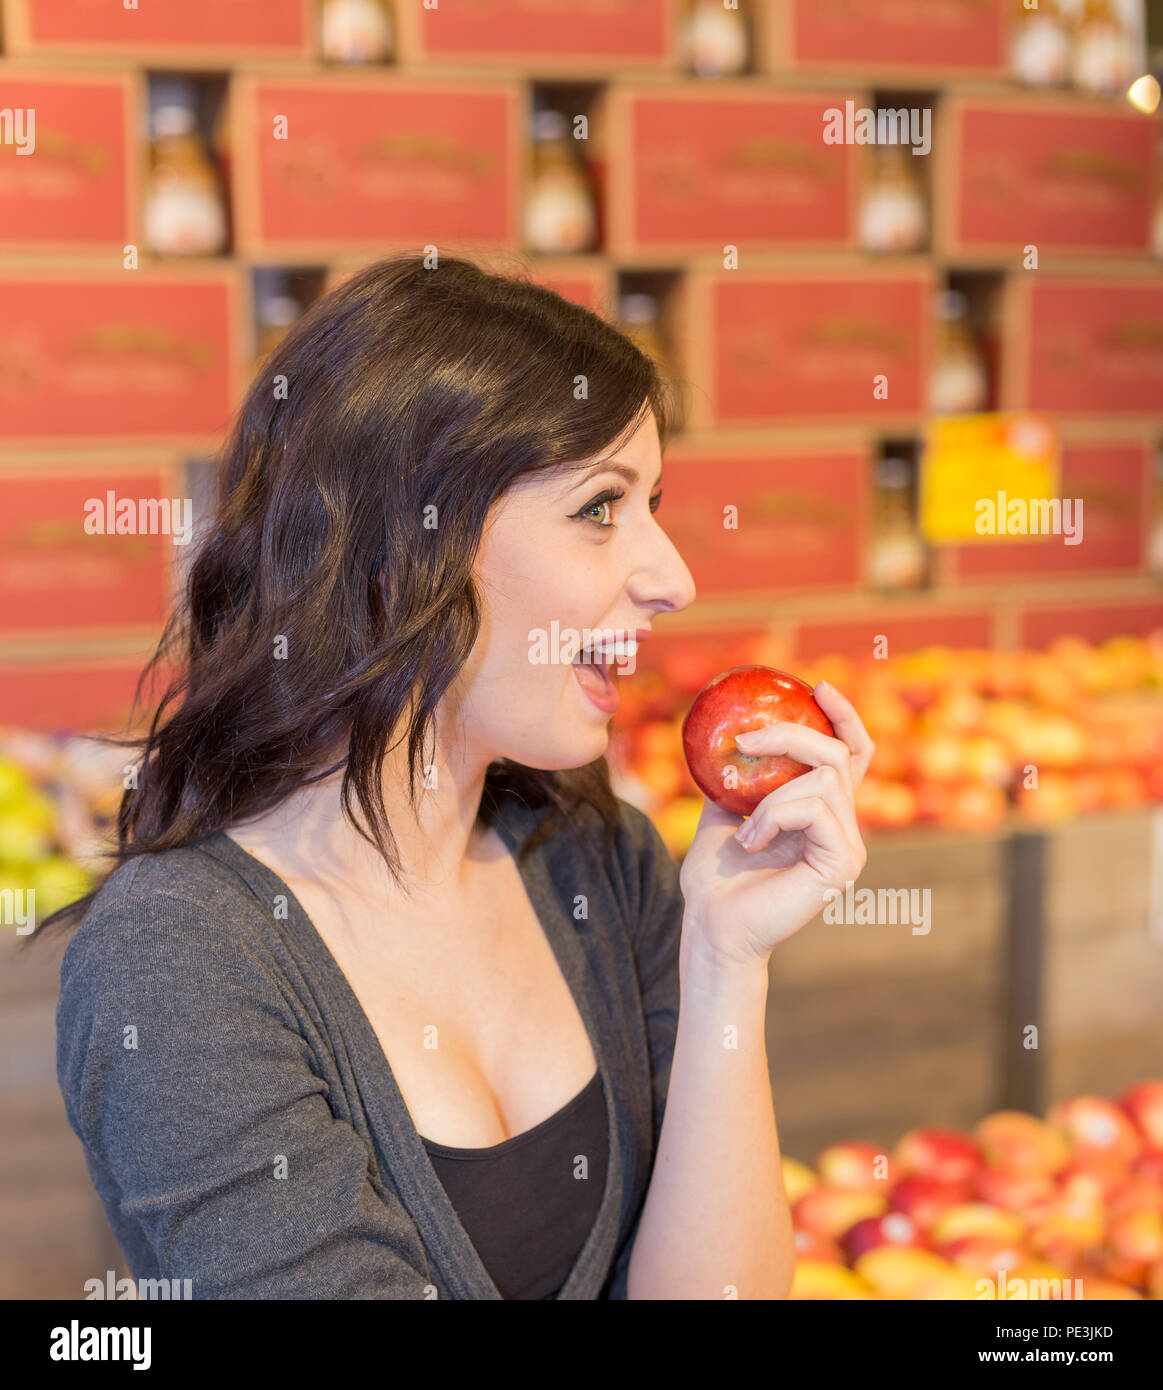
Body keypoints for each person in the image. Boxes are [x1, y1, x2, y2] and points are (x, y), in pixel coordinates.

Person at [47, 251, 873, 1299]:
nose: (673, 577)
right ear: (404, 544)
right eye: (599, 508)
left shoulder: (597, 857)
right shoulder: (179, 962)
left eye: (653, 501)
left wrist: (722, 960)